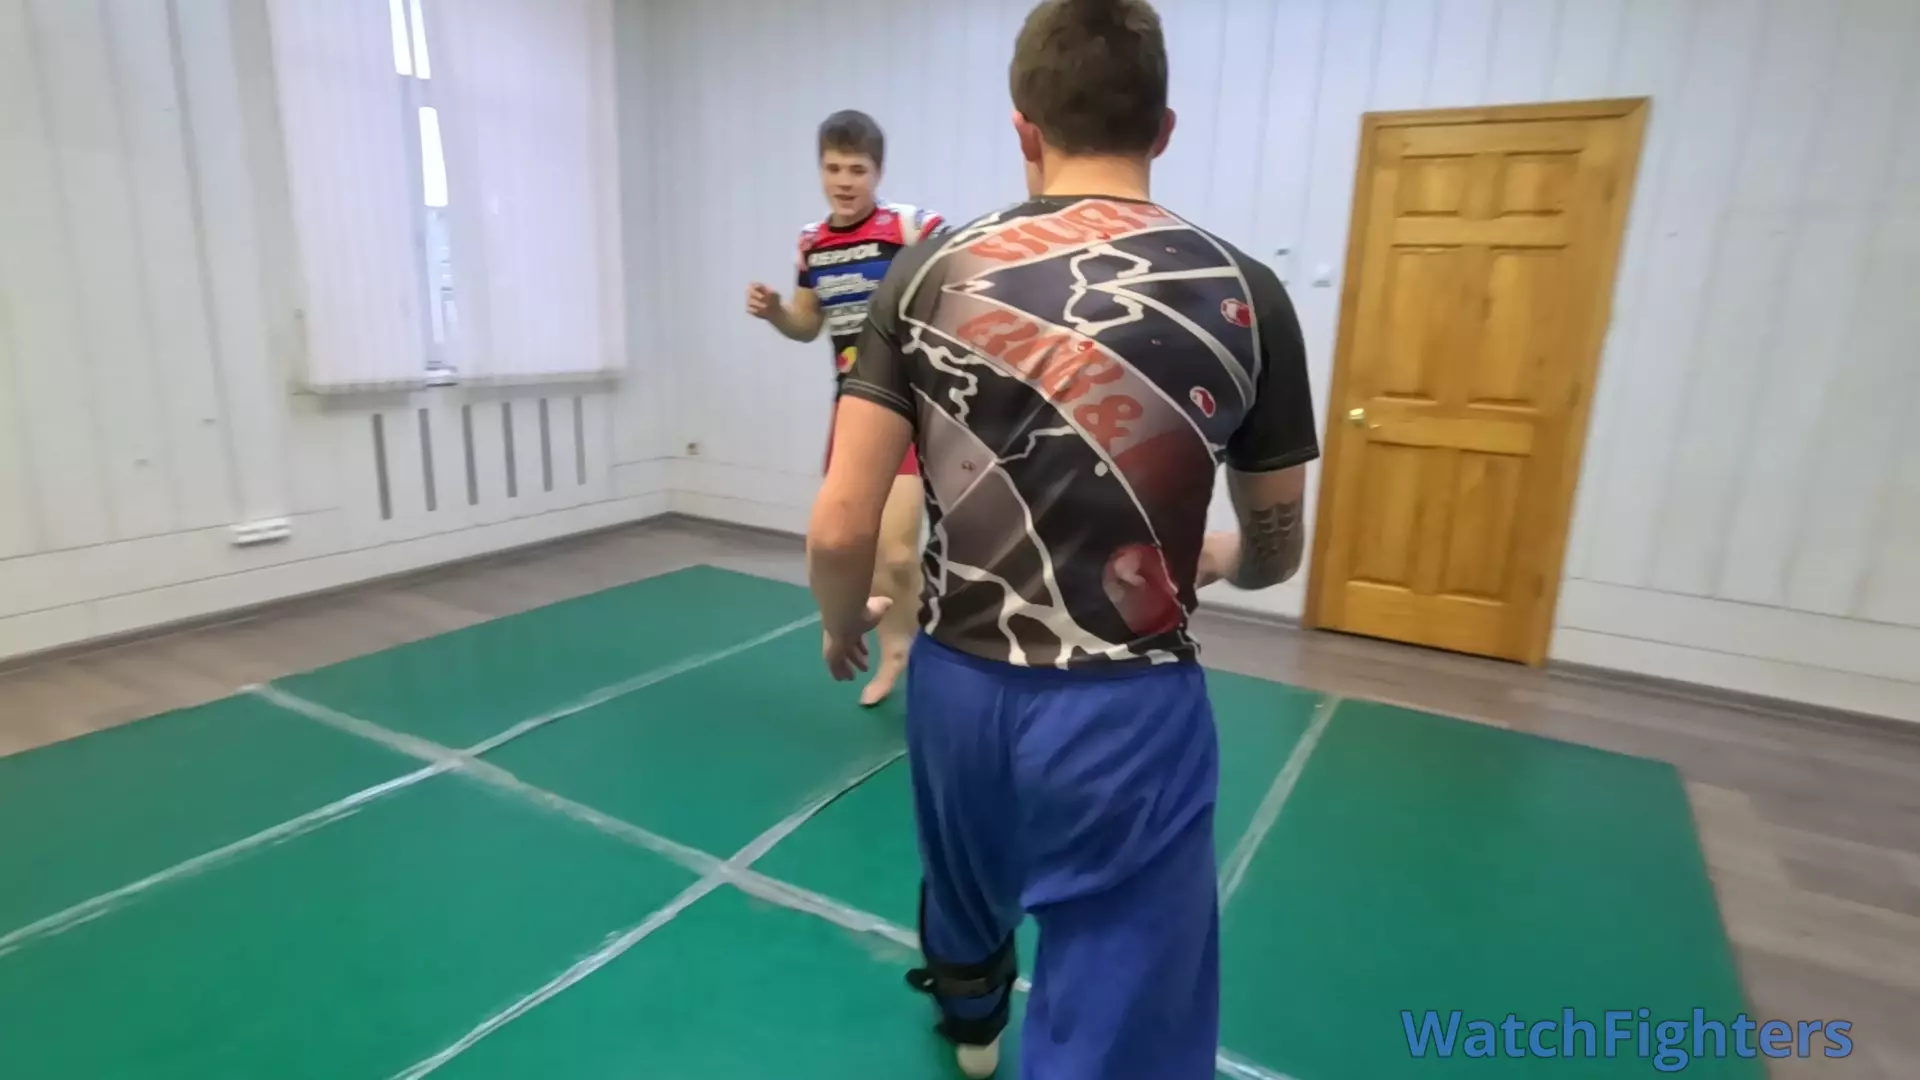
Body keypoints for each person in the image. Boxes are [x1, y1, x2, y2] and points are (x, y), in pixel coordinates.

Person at [804, 0, 1319, 1075]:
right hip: (1129, 701)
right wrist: (1230, 557)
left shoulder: (927, 271)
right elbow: (1278, 547)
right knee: (1124, 976)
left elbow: (843, 520)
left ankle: (972, 1024)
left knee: (963, 886)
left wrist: (843, 623)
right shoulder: (1248, 292)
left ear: (1024, 128)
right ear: (1163, 129)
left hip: (958, 683)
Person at [748, 109, 945, 706]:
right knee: (862, 545)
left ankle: (922, 646)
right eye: (833, 168)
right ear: (820, 170)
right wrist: (777, 312)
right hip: (855, 408)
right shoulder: (812, 242)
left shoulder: (912, 227)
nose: (844, 181)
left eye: (857, 169)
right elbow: (808, 324)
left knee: (900, 552)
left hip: (913, 403)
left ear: (877, 172)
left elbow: (957, 285)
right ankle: (894, 648)